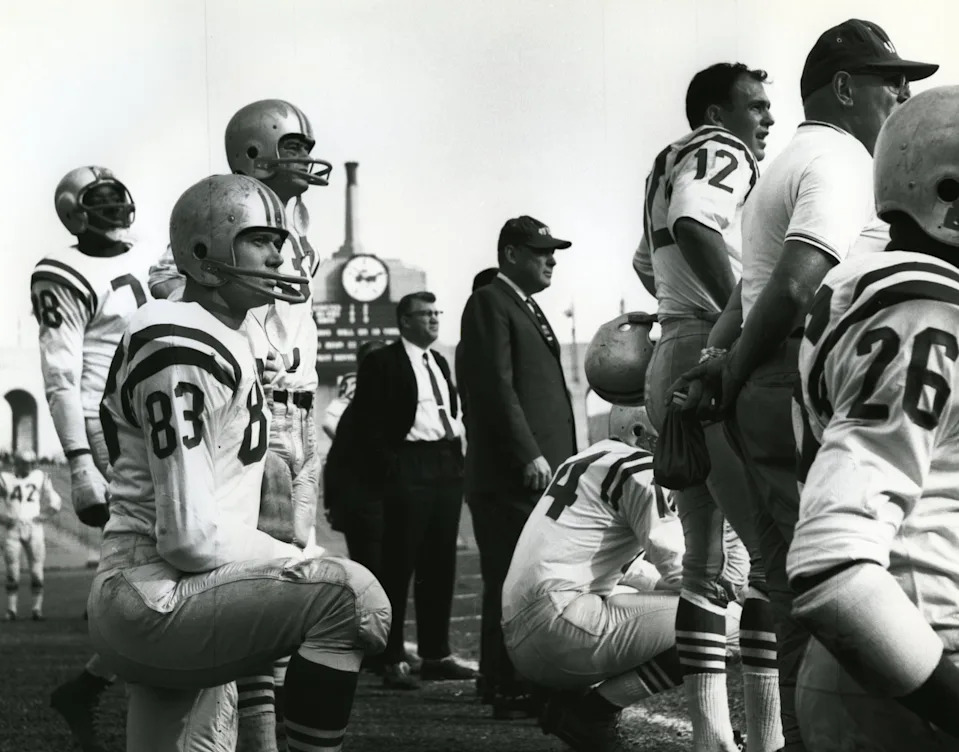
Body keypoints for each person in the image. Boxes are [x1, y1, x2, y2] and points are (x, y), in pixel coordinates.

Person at [669, 20, 937, 751]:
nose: (903, 94)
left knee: (793, 577)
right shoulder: (841, 157)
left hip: (772, 372)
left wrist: (719, 357)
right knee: (817, 585)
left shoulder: (794, 157)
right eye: (890, 80)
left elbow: (745, 295)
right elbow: (791, 284)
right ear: (845, 87)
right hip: (791, 374)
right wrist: (737, 370)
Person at [90, 173, 390, 752]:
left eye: (280, 239)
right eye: (260, 239)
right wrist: (298, 556)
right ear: (203, 256)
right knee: (351, 597)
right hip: (155, 590)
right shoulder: (177, 335)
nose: (279, 253)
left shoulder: (236, 334)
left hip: (182, 590)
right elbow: (189, 536)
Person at [149, 98, 331, 745]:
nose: (307, 159)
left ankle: (253, 728)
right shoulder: (231, 208)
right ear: (255, 153)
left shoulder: (296, 214)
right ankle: (259, 738)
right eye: (293, 147)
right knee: (268, 584)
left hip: (302, 407)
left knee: (283, 583)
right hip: (264, 403)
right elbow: (175, 276)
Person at [786, 85, 959, 752]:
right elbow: (833, 564)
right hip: (910, 672)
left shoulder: (883, 287)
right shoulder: (923, 314)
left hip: (882, 667)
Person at [634, 62, 781, 752]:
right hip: (712, 356)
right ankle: (771, 735)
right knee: (766, 555)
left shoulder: (666, 159)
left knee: (703, 562)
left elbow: (645, 259)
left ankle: (711, 736)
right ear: (715, 113)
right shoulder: (721, 151)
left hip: (673, 347)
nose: (767, 119)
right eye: (754, 105)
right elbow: (695, 220)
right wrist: (739, 313)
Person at [502, 403, 745, 752]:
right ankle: (593, 713)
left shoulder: (584, 459)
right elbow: (688, 574)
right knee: (725, 620)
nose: (681, 444)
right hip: (556, 628)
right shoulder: (639, 466)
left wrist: (663, 587)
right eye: (671, 433)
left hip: (530, 627)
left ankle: (582, 706)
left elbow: (622, 565)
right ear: (638, 434)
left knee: (692, 606)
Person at [35, 165, 158, 751]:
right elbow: (59, 373)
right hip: (105, 419)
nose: (113, 208)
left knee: (173, 556)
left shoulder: (156, 255)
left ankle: (93, 682)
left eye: (116, 198)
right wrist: (80, 462)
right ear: (75, 211)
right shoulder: (61, 271)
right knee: (164, 555)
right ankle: (129, 682)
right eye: (100, 201)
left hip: (154, 413)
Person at [459, 216, 577, 718]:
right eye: (540, 251)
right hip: (512, 475)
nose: (551, 259)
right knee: (514, 579)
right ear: (511, 255)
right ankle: (509, 685)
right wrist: (528, 451)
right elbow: (495, 386)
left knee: (525, 577)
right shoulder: (491, 300)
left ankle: (503, 680)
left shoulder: (522, 305)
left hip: (533, 473)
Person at [349, 292, 475, 689]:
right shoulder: (382, 362)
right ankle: (388, 658)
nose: (435, 320)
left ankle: (436, 655)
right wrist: (392, 466)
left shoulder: (438, 360)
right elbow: (366, 424)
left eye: (438, 312)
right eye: (426, 314)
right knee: (398, 564)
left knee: (440, 564)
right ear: (405, 321)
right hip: (408, 465)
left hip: (445, 465)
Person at [322, 338, 389, 575]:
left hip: (373, 506)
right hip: (369, 508)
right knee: (374, 577)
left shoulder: (359, 404)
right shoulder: (361, 406)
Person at [0, 451, 62, 621]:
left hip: (34, 527)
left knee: (36, 570)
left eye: (30, 463)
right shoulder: (5, 478)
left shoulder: (39, 476)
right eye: (24, 463)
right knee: (12, 571)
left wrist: (44, 515)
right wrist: (3, 518)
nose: (27, 466)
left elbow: (55, 501)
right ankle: (12, 610)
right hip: (13, 528)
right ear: (17, 463)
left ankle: (36, 609)